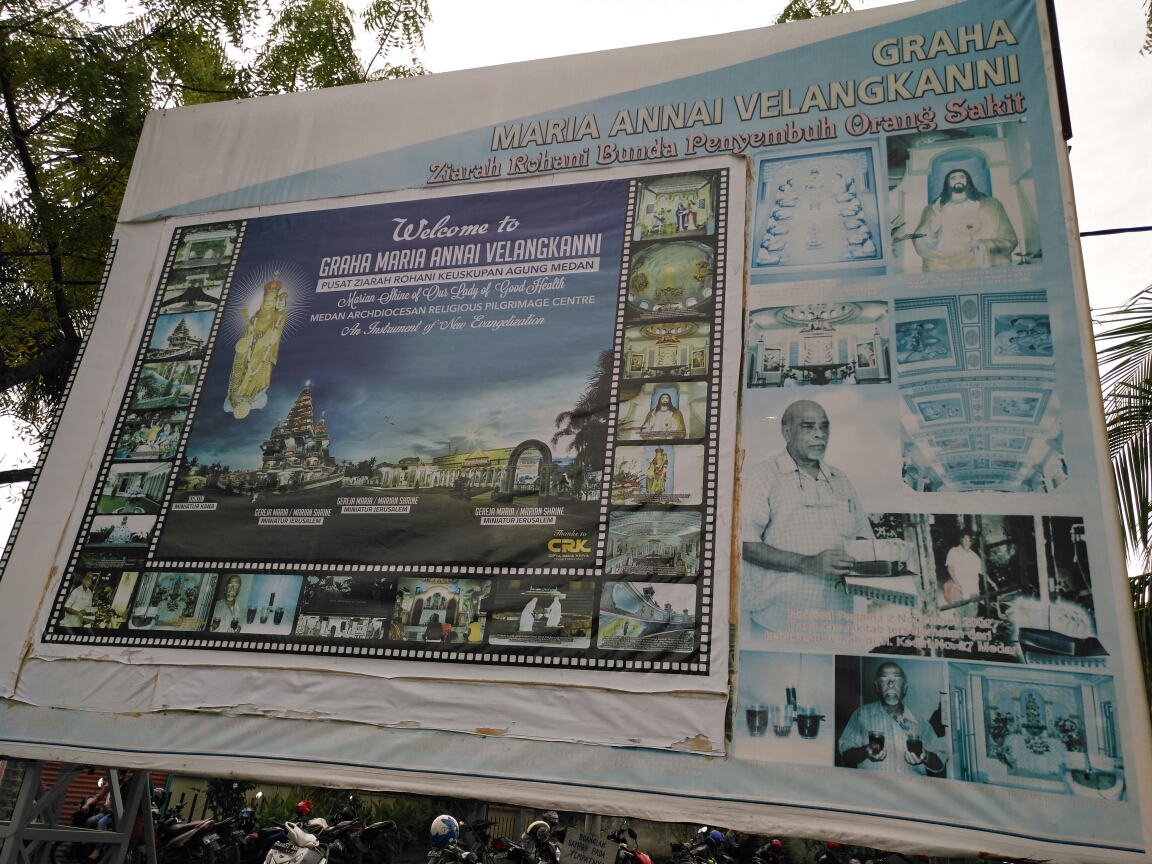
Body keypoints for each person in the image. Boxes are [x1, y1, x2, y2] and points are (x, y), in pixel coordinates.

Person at [741, 400, 873, 632]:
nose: (819, 435)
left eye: (824, 427)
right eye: (808, 427)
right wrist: (806, 563)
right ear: (786, 432)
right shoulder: (763, 477)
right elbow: (744, 543)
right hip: (778, 622)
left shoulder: (840, 480)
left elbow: (863, 536)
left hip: (838, 622)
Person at [838, 661, 947, 777]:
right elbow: (846, 753)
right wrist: (865, 751)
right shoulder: (861, 715)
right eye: (884, 680)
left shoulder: (920, 722)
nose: (890, 685)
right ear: (877, 687)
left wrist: (925, 755)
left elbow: (940, 763)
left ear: (904, 688)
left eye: (897, 680)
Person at [912, 168, 1017, 270]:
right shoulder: (932, 208)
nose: (958, 180)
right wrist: (937, 219)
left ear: (968, 180)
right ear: (947, 183)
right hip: (942, 261)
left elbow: (1007, 238)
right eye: (953, 178)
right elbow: (920, 243)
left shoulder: (991, 204)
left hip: (978, 256)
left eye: (962, 177)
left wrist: (981, 245)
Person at [226, 276, 288, 418]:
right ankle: (239, 395)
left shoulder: (277, 315)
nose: (268, 303)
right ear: (263, 301)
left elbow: (276, 331)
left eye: (272, 301)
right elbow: (248, 331)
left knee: (257, 371)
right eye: (267, 300)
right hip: (250, 348)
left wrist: (265, 340)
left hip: (263, 351)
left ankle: (253, 394)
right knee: (241, 369)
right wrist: (248, 340)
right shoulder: (256, 316)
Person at [943, 534, 983, 618]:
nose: (967, 543)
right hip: (959, 590)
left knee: (971, 618)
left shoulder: (974, 556)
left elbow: (981, 572)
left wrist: (993, 583)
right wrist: (957, 585)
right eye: (965, 540)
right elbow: (950, 569)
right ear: (961, 540)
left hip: (973, 590)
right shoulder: (954, 551)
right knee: (959, 616)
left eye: (970, 541)